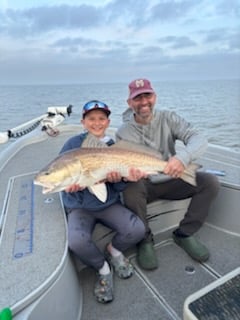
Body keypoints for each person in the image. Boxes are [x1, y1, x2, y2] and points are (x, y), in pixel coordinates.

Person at [116, 78, 220, 271]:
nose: (144, 102)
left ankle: (184, 234)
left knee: (210, 182)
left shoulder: (169, 118)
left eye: (147, 96)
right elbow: (124, 166)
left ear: (155, 97)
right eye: (137, 98)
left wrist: (181, 158)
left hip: (171, 176)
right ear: (129, 103)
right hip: (144, 183)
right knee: (130, 188)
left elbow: (198, 138)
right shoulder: (123, 132)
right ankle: (144, 241)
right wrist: (128, 175)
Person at [60, 100, 146, 303]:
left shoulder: (113, 147)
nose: (96, 123)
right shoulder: (71, 145)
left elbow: (116, 188)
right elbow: (62, 174)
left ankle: (114, 250)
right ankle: (102, 267)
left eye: (101, 119)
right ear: (83, 122)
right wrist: (68, 187)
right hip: (80, 208)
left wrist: (121, 179)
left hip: (108, 204)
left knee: (137, 229)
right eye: (91, 119)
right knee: (77, 241)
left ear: (108, 122)